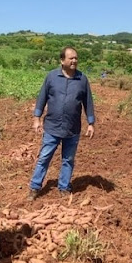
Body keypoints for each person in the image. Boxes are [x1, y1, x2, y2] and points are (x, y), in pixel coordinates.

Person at [28, 46, 95, 200]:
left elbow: (88, 102)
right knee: (44, 157)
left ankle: (64, 186)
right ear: (62, 60)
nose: (74, 61)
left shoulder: (82, 79)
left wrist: (91, 123)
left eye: (76, 58)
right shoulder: (51, 77)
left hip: (72, 128)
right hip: (52, 126)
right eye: (71, 58)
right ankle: (34, 187)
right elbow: (42, 98)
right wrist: (36, 118)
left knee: (68, 160)